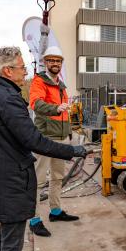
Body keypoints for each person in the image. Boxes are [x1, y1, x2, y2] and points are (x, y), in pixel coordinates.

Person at [0, 46, 87, 251]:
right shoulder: (10, 99)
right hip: (13, 182)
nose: (25, 72)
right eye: (22, 67)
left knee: (4, 236)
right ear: (7, 71)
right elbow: (34, 141)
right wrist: (73, 151)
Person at [28, 46, 77, 237]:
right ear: (45, 63)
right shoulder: (39, 81)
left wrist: (69, 131)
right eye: (51, 60)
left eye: (58, 61)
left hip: (61, 138)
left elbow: (66, 112)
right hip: (45, 137)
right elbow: (36, 104)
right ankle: (33, 219)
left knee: (57, 177)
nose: (55, 63)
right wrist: (56, 108)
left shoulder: (61, 85)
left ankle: (55, 211)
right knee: (38, 180)